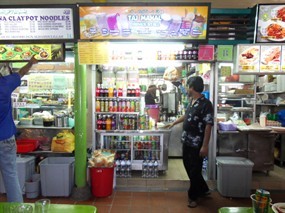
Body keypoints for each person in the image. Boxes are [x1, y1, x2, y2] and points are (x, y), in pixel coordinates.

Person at [167, 76, 213, 208]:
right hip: (187, 140)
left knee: (194, 169)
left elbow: (208, 125)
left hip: (197, 143)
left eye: (187, 86)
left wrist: (205, 146)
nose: (186, 88)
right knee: (188, 165)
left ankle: (193, 196)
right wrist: (174, 123)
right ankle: (203, 189)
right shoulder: (192, 101)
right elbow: (187, 116)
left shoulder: (206, 104)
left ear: (192, 87)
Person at [0, 55, 37, 202]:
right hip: (5, 138)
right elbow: (20, 73)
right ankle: (17, 209)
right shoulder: (4, 84)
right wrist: (30, 63)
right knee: (10, 175)